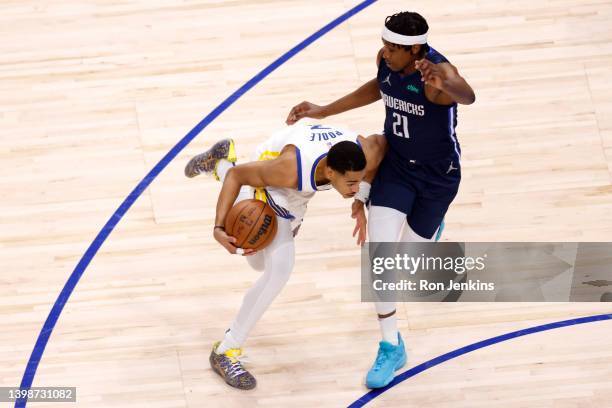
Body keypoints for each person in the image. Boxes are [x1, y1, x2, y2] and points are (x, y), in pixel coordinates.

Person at [286, 11, 476, 388]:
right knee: (380, 261)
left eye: (393, 48)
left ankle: (431, 227)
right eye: (385, 44)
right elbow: (378, 87)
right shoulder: (385, 61)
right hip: (397, 169)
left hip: (438, 179)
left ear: (416, 48)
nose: (385, 52)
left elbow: (468, 96)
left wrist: (448, 81)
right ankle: (391, 345)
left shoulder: (437, 78)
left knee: (403, 273)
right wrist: (322, 109)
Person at [185, 123, 386, 390]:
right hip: (269, 186)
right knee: (279, 269)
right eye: (350, 182)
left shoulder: (365, 152)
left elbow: (381, 150)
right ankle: (226, 350)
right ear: (329, 171)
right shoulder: (289, 167)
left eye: (357, 180)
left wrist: (360, 198)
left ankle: (220, 160)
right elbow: (239, 178)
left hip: (296, 196)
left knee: (259, 264)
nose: (353, 186)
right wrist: (218, 228)